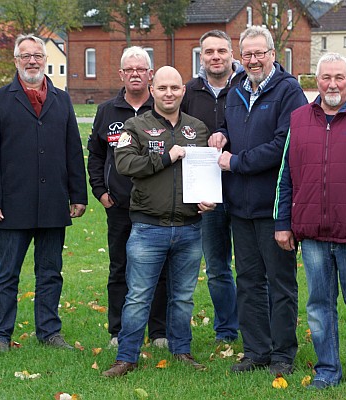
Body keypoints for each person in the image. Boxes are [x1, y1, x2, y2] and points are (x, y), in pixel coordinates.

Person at [274, 53, 346, 394]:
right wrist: (283, 221)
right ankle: (326, 369)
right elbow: (286, 175)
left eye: (339, 77)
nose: (332, 84)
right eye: (326, 77)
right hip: (311, 233)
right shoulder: (299, 119)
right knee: (318, 307)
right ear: (317, 80)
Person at [102, 66, 216, 377]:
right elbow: (125, 163)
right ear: (153, 91)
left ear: (183, 91)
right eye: (163, 88)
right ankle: (126, 356)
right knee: (138, 295)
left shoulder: (197, 128)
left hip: (190, 228)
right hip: (148, 227)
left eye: (175, 88)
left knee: (182, 296)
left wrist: (207, 198)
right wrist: (167, 156)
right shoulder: (135, 126)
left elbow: (206, 171)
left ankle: (181, 350)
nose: (169, 93)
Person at [208, 26, 308, 376]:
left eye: (259, 53)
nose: (252, 60)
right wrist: (221, 134)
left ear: (272, 54)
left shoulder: (289, 92)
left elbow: (285, 145)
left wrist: (236, 162)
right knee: (248, 281)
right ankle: (255, 351)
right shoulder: (237, 91)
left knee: (280, 283)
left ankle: (282, 354)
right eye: (247, 54)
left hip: (274, 206)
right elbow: (231, 131)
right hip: (240, 207)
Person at [0, 34, 87, 353]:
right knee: (7, 273)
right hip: (12, 204)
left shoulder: (62, 99)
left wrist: (77, 194)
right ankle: (0, 334)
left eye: (37, 55)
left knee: (51, 272)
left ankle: (49, 331)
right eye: (25, 56)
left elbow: (72, 149)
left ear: (45, 59)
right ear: (15, 61)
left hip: (54, 201)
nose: (32, 61)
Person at [88, 46, 169, 349]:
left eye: (141, 69)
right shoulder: (107, 111)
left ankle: (158, 332)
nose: (135, 74)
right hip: (120, 207)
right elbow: (95, 155)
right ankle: (117, 331)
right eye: (129, 69)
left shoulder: (162, 108)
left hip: (156, 207)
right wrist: (100, 191)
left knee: (159, 269)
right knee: (119, 268)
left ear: (151, 74)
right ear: (121, 74)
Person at [180, 30, 244, 344]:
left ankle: (257, 327)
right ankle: (227, 330)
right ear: (201, 56)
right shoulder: (189, 91)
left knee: (249, 267)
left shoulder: (248, 86)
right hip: (206, 193)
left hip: (244, 187)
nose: (215, 57)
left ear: (231, 54)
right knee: (217, 267)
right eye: (209, 52)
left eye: (221, 51)